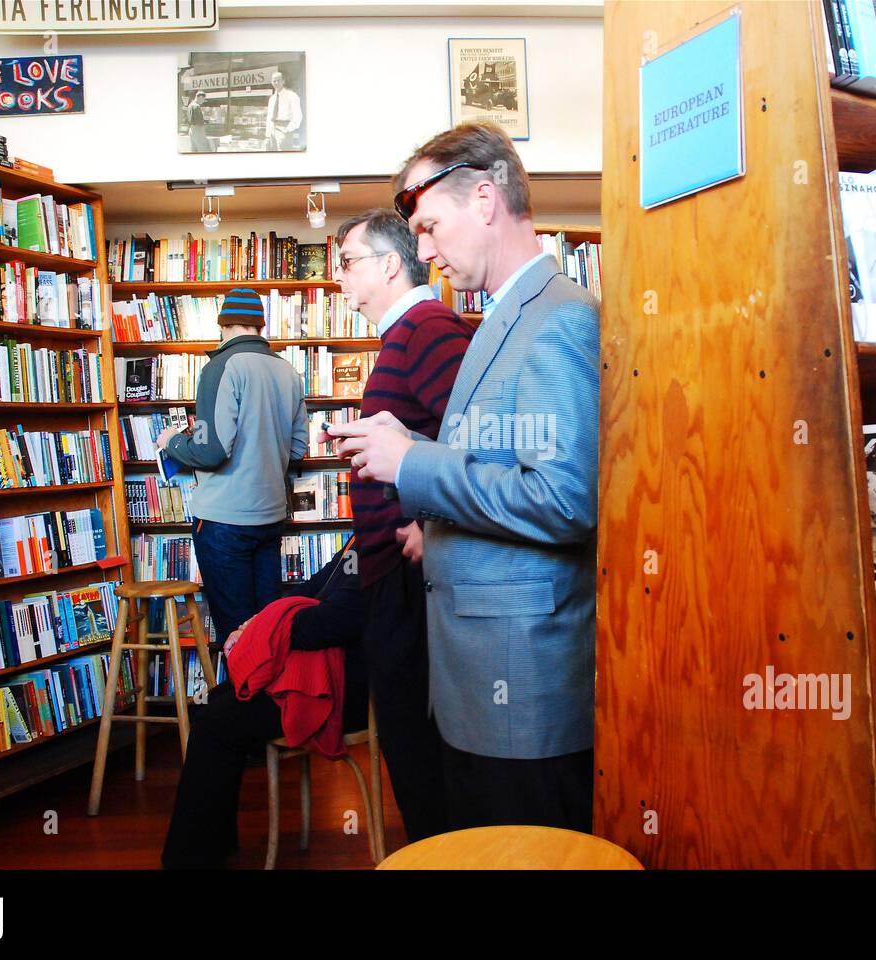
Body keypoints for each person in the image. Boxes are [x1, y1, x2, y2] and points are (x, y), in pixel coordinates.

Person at [328, 122, 600, 832]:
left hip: (525, 686)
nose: (423, 252)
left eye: (428, 227)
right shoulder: (500, 318)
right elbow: (500, 459)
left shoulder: (558, 318)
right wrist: (412, 440)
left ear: (485, 199)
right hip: (480, 672)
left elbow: (566, 498)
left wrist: (412, 463)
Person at [332, 208, 472, 841]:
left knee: (418, 744)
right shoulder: (405, 334)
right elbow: (431, 434)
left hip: (411, 577)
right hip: (391, 573)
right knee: (409, 742)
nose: (338, 277)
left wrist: (432, 519)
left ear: (389, 265)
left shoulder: (430, 329)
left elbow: (478, 445)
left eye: (348, 261)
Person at [161, 543, 367, 869]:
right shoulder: (363, 537)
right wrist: (257, 622)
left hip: (342, 693)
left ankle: (192, 861)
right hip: (322, 676)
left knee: (216, 721)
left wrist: (262, 632)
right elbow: (315, 586)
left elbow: (334, 621)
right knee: (218, 703)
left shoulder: (383, 542)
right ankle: (212, 846)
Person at [156, 289, 308, 646]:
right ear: (260, 324)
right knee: (269, 634)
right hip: (270, 518)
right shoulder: (288, 371)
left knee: (237, 639)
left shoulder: (219, 367)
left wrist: (173, 443)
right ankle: (273, 703)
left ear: (222, 325)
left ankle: (241, 702)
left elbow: (211, 452)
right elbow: (297, 449)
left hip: (225, 520)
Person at [264, 70, 302, 150]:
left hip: (284, 130)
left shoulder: (292, 96)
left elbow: (298, 116)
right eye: (274, 81)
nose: (276, 83)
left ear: (283, 81)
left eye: (278, 80)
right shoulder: (272, 99)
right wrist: (267, 135)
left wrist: (287, 130)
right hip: (272, 131)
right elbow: (269, 117)